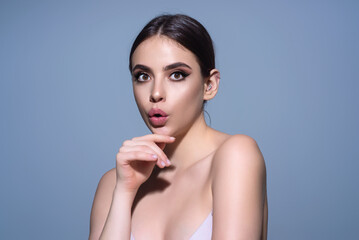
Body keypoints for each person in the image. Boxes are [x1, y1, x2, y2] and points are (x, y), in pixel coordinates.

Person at [89, 14, 268, 240]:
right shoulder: (114, 184)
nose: (155, 93)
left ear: (209, 85)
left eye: (176, 75)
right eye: (143, 76)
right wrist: (125, 193)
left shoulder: (237, 156)